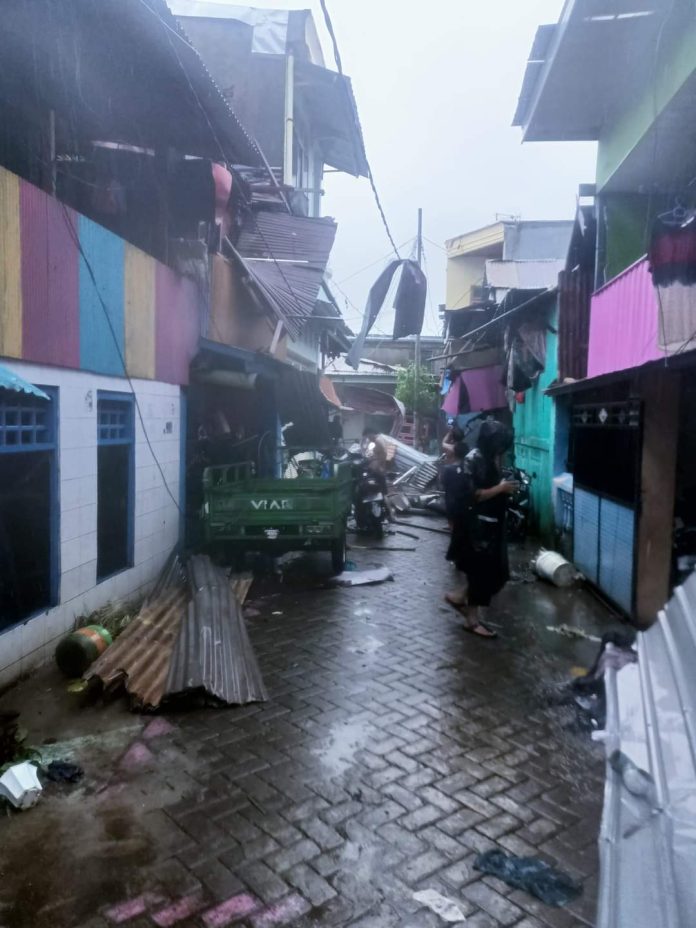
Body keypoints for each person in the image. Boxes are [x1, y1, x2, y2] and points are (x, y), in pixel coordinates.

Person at [444, 420, 518, 639]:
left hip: (491, 525)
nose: (499, 449)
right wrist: (500, 488)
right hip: (477, 528)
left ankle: (459, 598)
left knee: (495, 574)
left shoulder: (490, 458)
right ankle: (472, 621)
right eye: (497, 444)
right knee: (481, 573)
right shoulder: (473, 459)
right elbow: (472, 495)